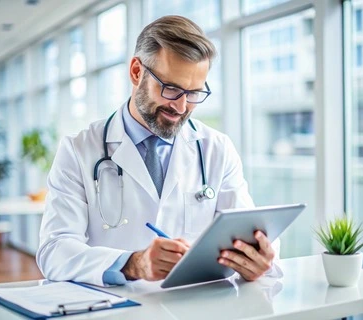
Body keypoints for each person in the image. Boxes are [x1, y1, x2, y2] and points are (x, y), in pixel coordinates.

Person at [36, 15, 279, 286]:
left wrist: (258, 258)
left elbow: (246, 232)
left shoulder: (216, 149)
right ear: (137, 72)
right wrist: (133, 263)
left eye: (194, 93)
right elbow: (54, 251)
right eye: (171, 88)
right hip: (113, 308)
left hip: (195, 308)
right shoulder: (78, 149)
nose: (181, 106)